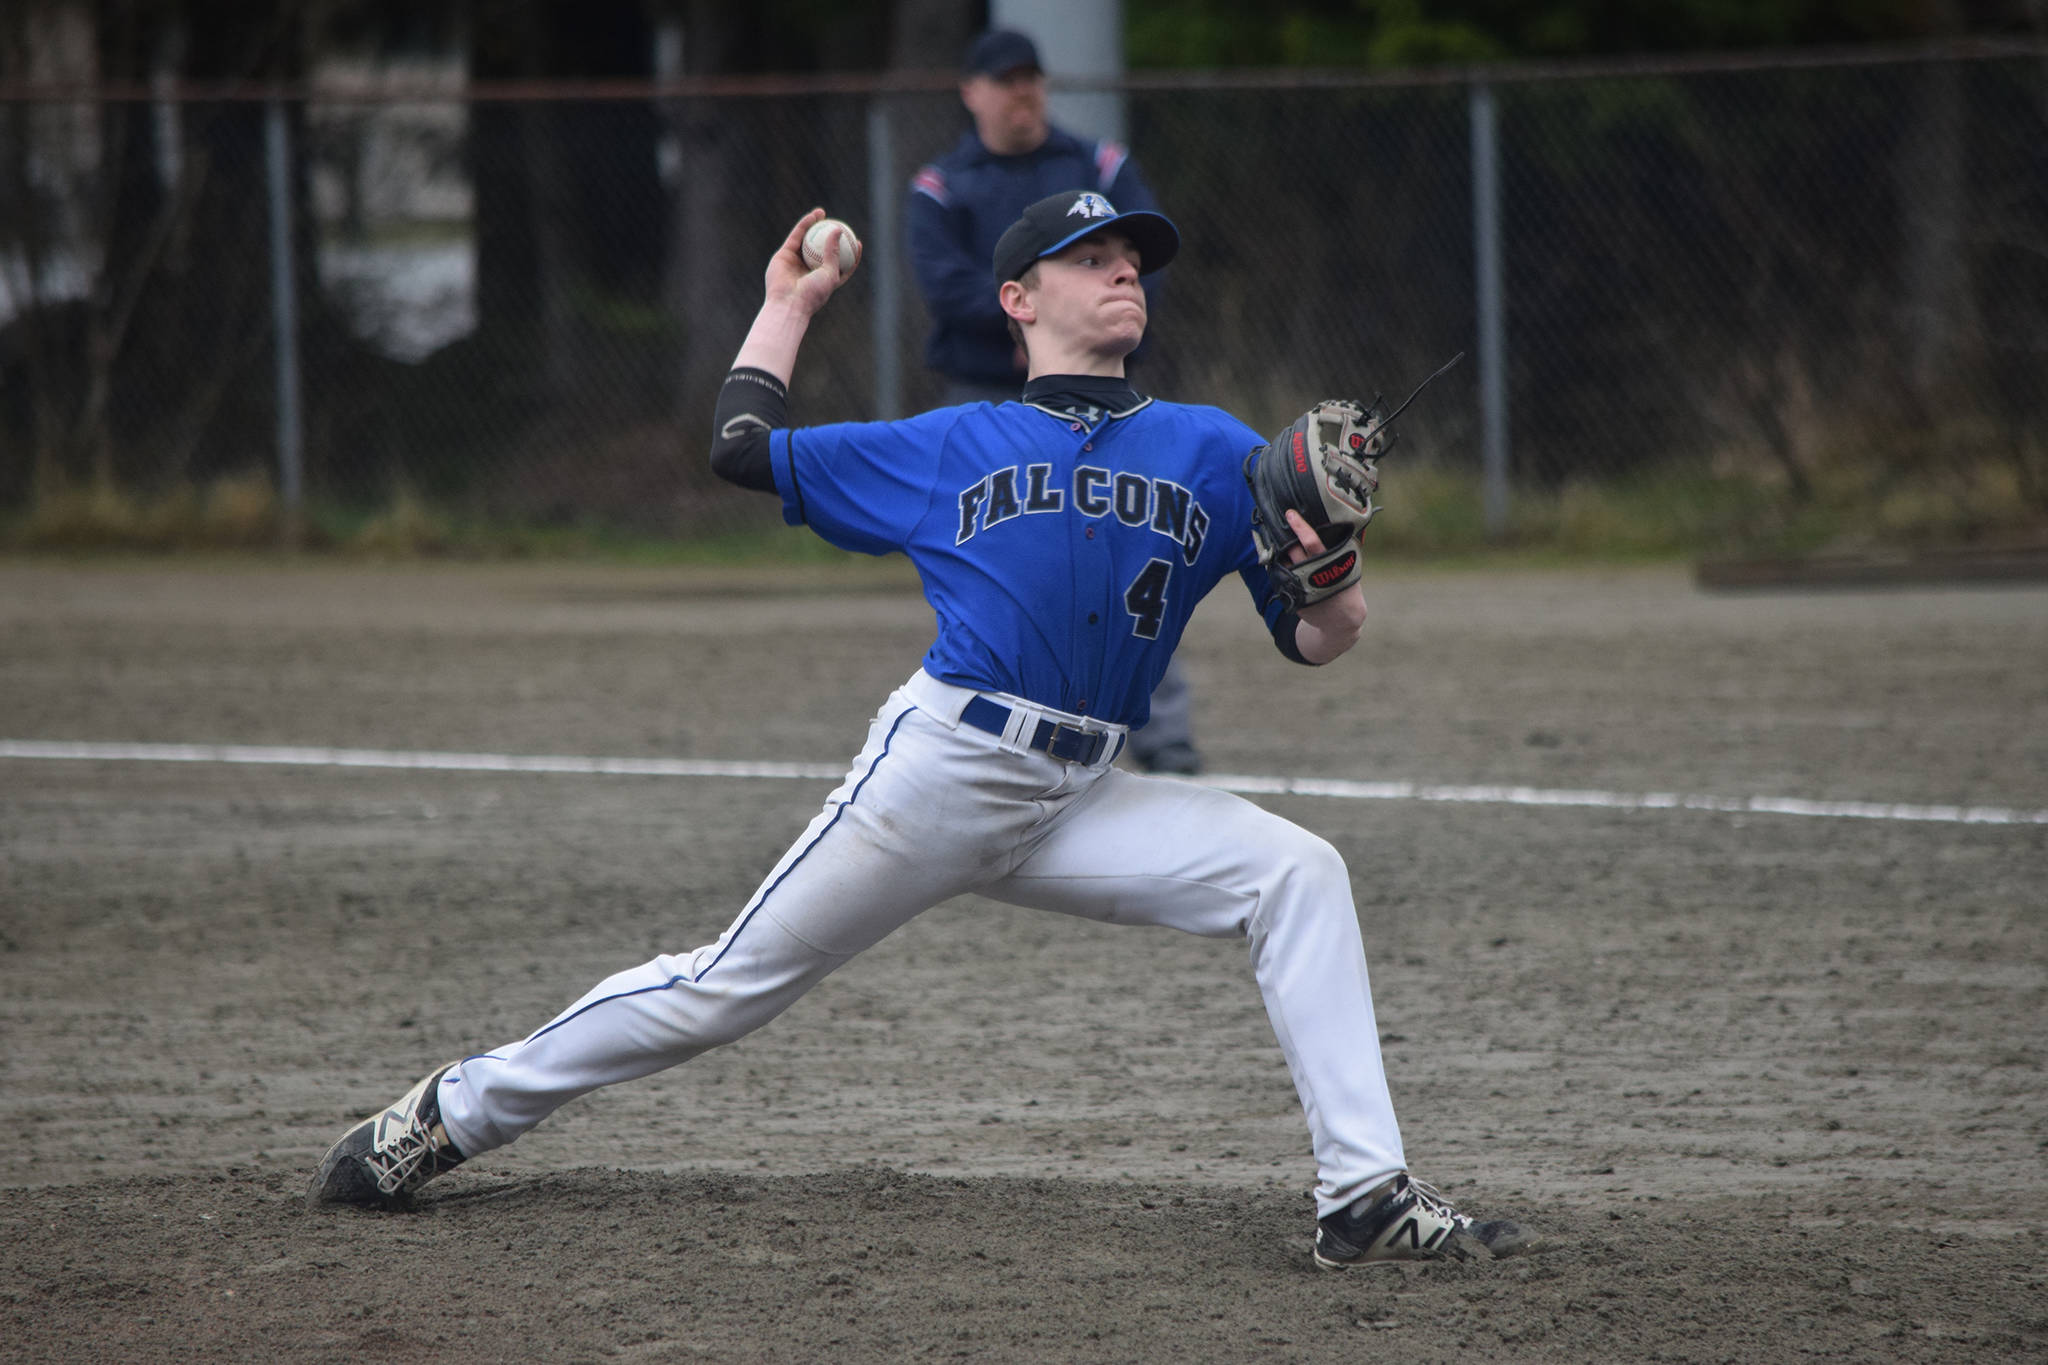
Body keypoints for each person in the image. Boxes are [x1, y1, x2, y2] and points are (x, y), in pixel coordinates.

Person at [307, 193, 1531, 1270]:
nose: (1122, 271)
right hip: (942, 773)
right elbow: (738, 450)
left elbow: (1315, 641)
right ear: (1018, 297)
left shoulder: (1214, 451)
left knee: (1295, 873)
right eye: (1089, 255)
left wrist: (1336, 573)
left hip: (1084, 798)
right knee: (718, 990)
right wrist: (788, 303)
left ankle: (1362, 1197)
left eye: (1130, 257)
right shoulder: (952, 444)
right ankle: (450, 1113)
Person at [908, 28, 1202, 776]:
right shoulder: (943, 183)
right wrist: (1028, 327)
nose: (1023, 92)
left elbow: (1143, 270)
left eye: (1031, 78)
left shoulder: (1097, 165)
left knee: (1133, 550)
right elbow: (942, 283)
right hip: (991, 394)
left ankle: (1163, 737)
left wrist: (1076, 336)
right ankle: (995, 729)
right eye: (1005, 81)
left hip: (1099, 394)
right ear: (972, 93)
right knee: (991, 563)